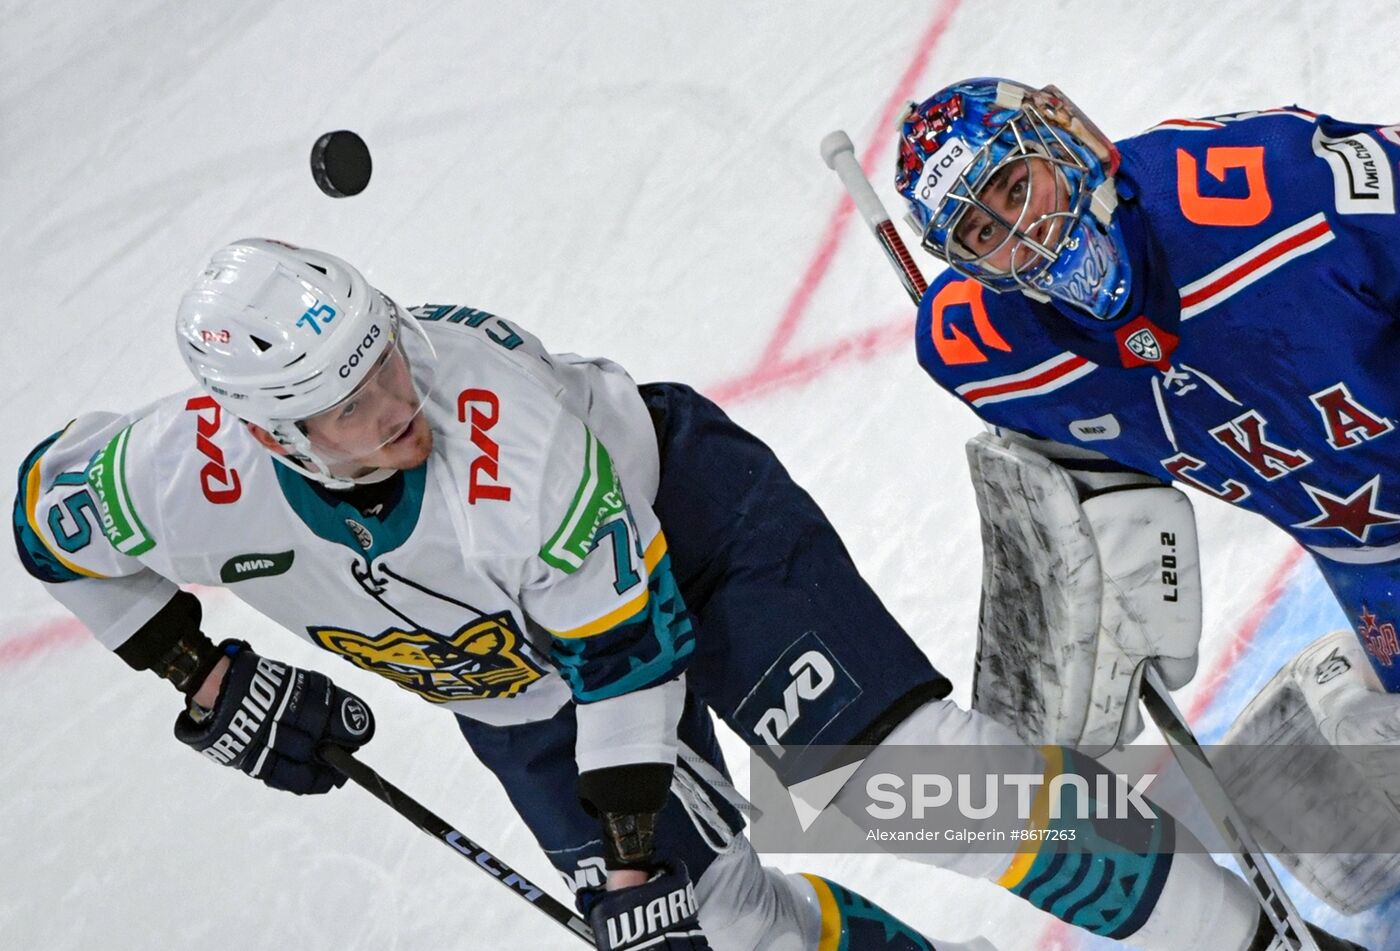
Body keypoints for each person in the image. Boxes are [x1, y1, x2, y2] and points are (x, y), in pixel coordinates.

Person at [13, 238, 1359, 950]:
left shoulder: (500, 437)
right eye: (348, 405)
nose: (393, 403)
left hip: (688, 542)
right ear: (265, 433)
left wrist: (626, 857)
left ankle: (1247, 937)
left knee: (903, 786)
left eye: (386, 362)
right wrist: (196, 666)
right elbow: (41, 520)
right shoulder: (177, 475)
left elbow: (633, 655)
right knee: (719, 935)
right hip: (517, 677)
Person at [893, 76, 1400, 921]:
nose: (1024, 233)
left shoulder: (1273, 189)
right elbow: (1061, 489)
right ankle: (1336, 716)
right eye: (984, 230)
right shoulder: (986, 355)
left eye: (1019, 186)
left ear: (1070, 140)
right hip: (1365, 545)